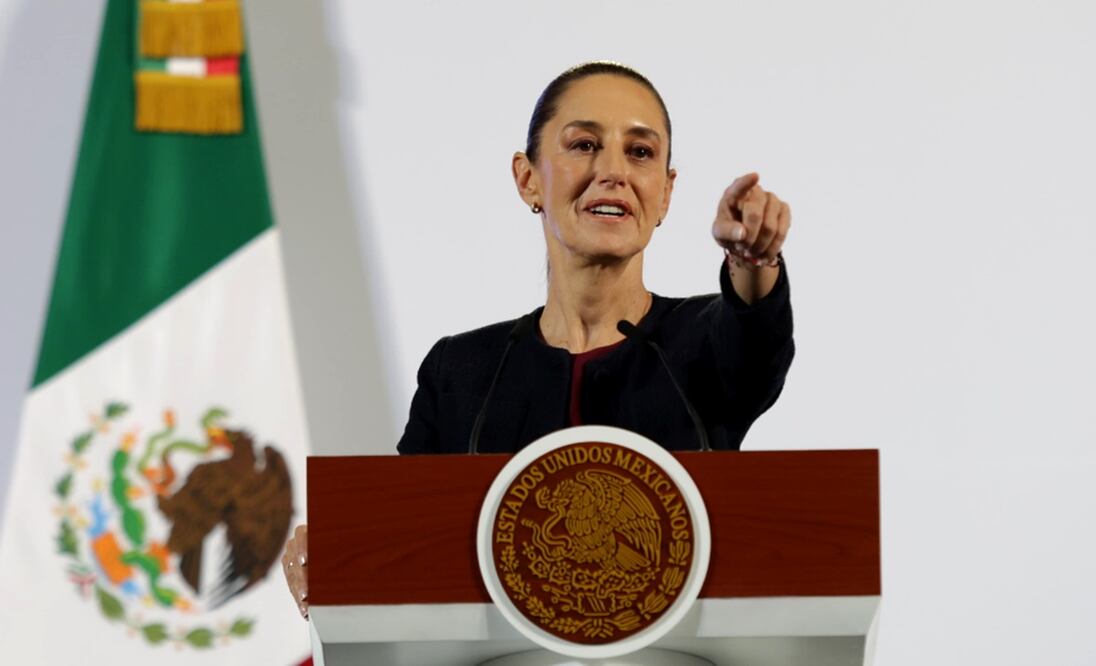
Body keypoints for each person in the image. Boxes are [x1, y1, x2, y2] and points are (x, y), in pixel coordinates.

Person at [281, 61, 794, 620]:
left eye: (641, 153)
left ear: (666, 193)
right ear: (528, 179)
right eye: (584, 144)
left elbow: (755, 334)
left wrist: (753, 259)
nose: (613, 172)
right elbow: (405, 533)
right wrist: (333, 551)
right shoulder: (461, 370)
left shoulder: (701, 344)